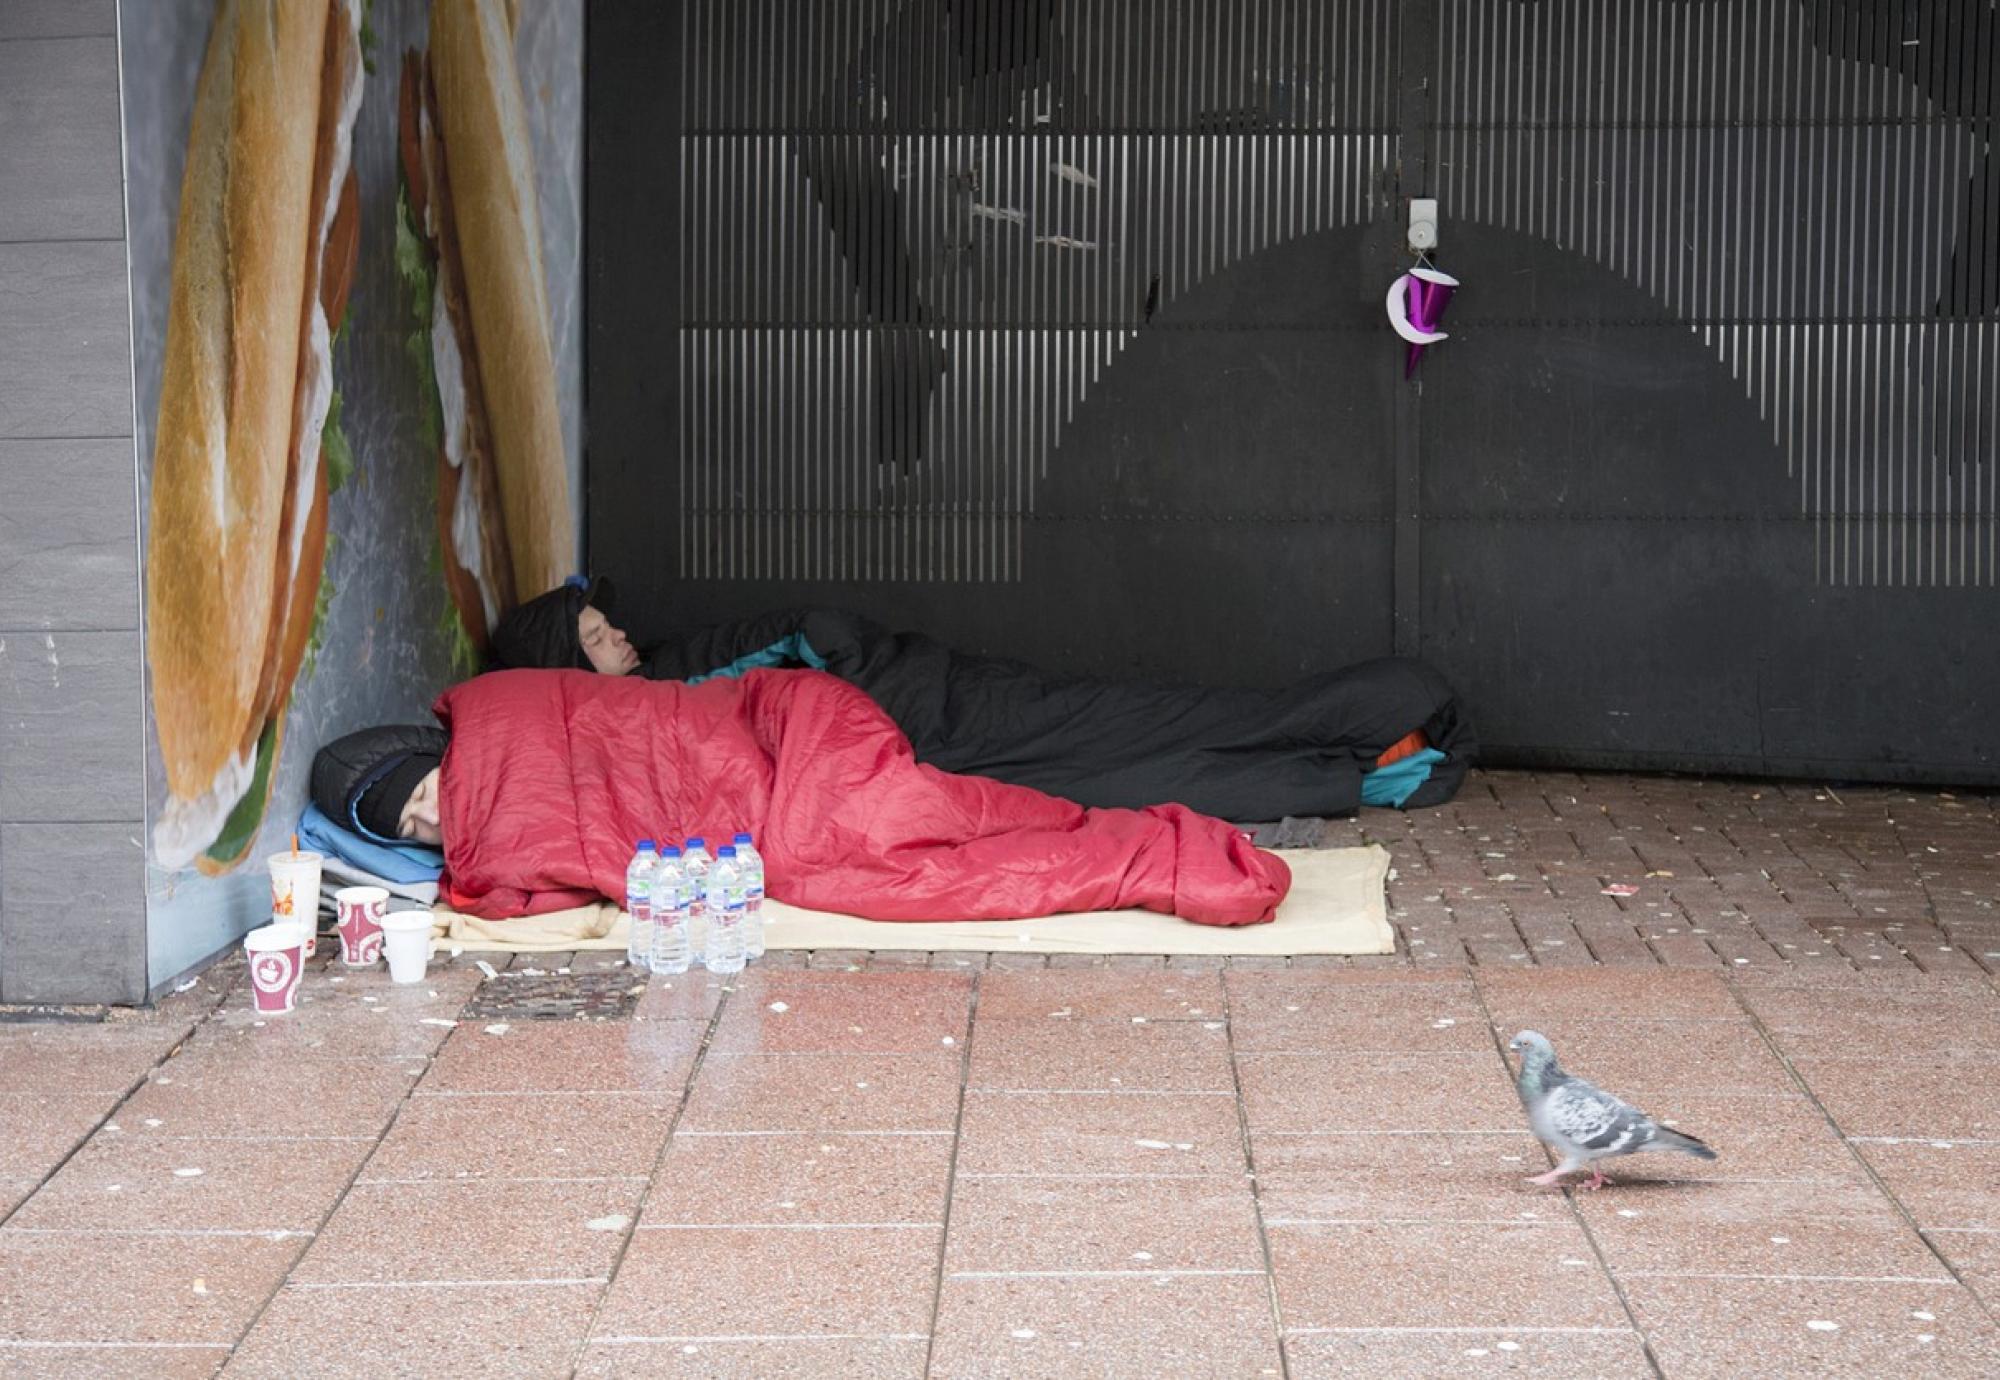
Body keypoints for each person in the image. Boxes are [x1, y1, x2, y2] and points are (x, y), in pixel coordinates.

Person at [309, 666, 1290, 927]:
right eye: (411, 828)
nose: (437, 820)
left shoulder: (506, 713)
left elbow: (553, 865)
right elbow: (575, 865)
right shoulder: (475, 837)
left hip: (783, 740)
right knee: (930, 822)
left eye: (428, 789)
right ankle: (1147, 846)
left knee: (850, 861)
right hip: (795, 741)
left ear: (437, 748)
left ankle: (1158, 857)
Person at [484, 576, 1475, 822]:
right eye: (592, 639)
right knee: (1137, 777)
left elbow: (817, 633)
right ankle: (1378, 771)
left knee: (1156, 732)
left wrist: (875, 721)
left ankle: (1396, 716)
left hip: (943, 715)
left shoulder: (669, 679)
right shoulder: (650, 706)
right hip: (937, 750)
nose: (615, 633)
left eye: (602, 622)